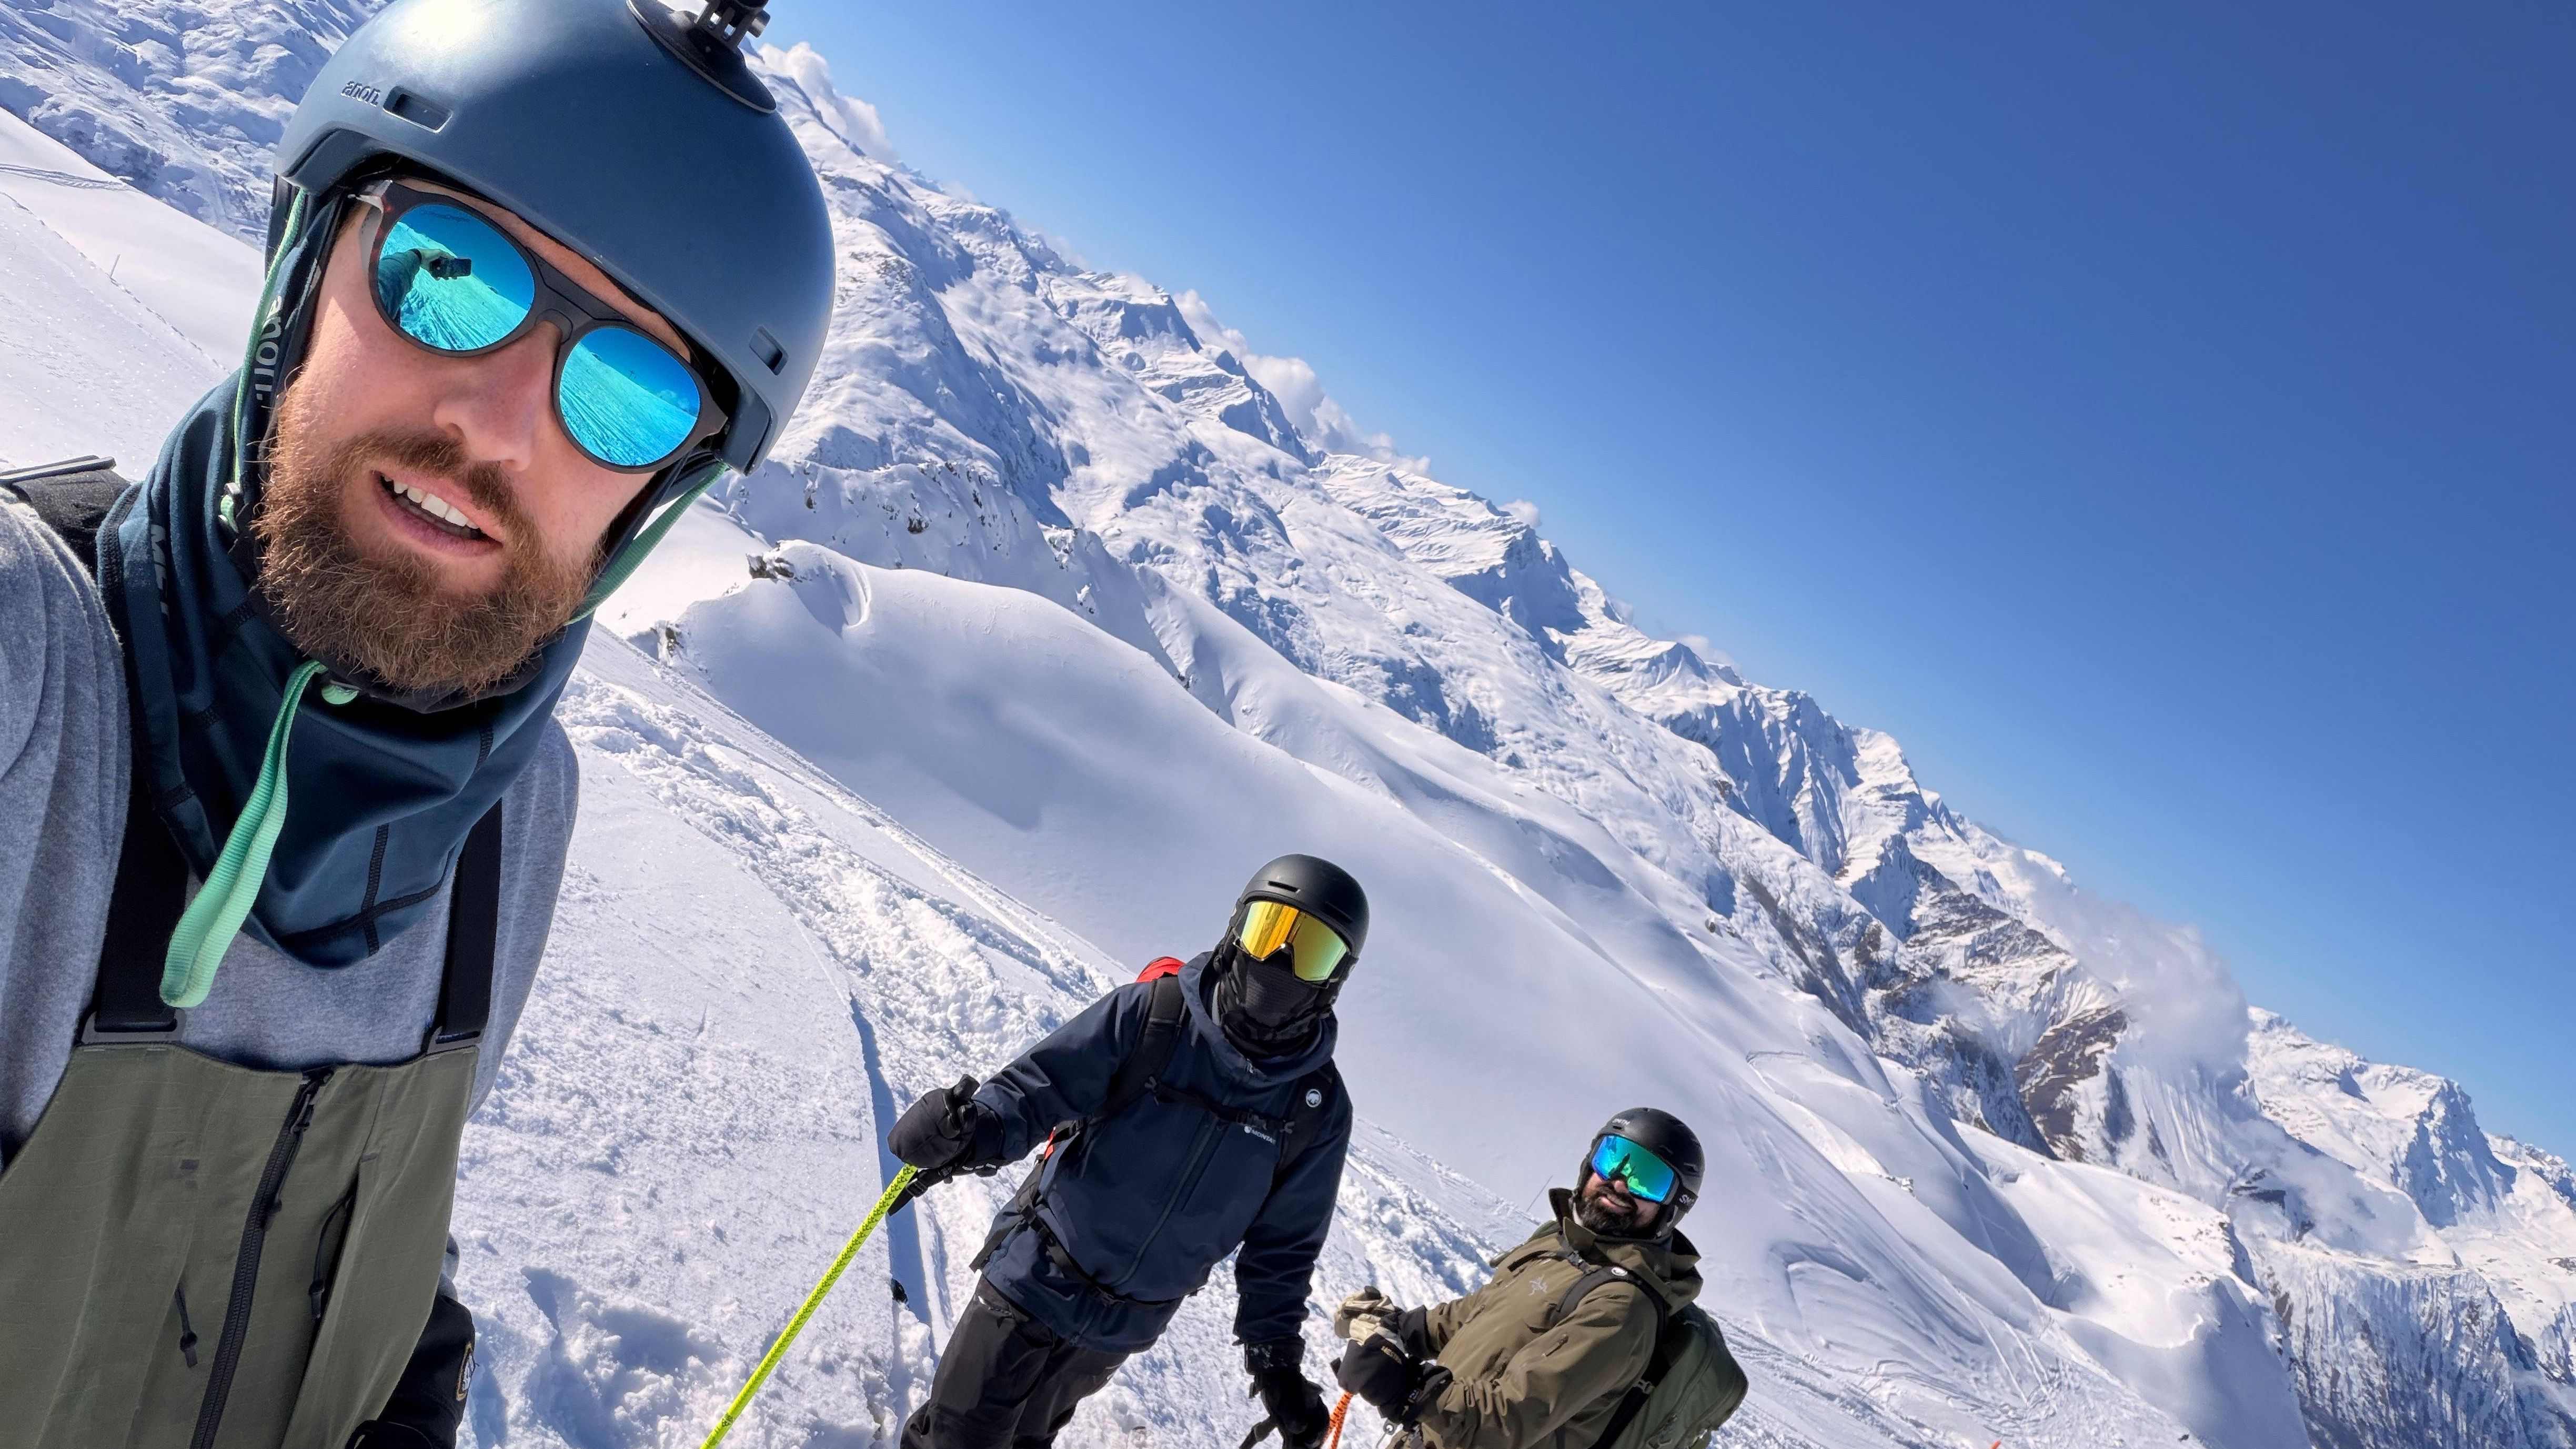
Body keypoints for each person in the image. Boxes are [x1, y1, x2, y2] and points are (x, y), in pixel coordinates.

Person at [0, 1, 834, 1444]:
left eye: (628, 395)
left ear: (655, 503)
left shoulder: (518, 812)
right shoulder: (31, 670)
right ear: (307, 259)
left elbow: (347, 1237)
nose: (496, 425)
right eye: (448, 273)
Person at [889, 855, 1369, 1449]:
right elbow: (1039, 1089)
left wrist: (1276, 1362)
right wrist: (970, 1130)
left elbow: (1284, 1250)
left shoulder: (1316, 1108)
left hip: (1119, 1328)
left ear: (1337, 976)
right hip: (1035, 1274)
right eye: (1268, 931)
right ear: (1236, 928)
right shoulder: (1154, 1015)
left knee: (1026, 1440)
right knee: (956, 1439)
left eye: (1311, 951)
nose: (1279, 961)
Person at [1332, 1109, 1741, 1449]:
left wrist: (1405, 1389)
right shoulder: (1563, 1246)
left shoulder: (1623, 1309)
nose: (1619, 1182)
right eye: (1613, 1157)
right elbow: (1482, 1314)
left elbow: (1505, 1422)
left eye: (1646, 1179)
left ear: (1673, 1207)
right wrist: (1402, 1328)